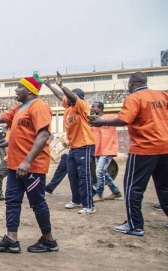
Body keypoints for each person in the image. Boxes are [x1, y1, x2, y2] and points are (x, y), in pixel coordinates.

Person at [0, 75, 58, 253]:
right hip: (14, 166)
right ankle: (11, 239)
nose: (16, 89)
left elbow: (44, 135)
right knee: (12, 201)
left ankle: (49, 240)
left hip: (32, 167)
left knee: (37, 203)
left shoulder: (39, 107)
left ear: (30, 90)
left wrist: (28, 161)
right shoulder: (19, 108)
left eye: (19, 87)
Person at [90, 72, 168, 236]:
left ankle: (135, 225)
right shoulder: (161, 95)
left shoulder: (134, 98)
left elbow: (125, 119)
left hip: (144, 148)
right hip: (165, 147)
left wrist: (101, 122)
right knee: (164, 187)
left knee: (133, 188)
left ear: (131, 83)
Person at [45, 72, 96, 215]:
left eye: (70, 96)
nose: (66, 98)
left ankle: (89, 205)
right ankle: (76, 200)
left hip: (84, 145)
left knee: (84, 176)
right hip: (74, 147)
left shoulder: (82, 106)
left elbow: (69, 96)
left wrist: (61, 85)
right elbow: (60, 96)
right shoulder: (69, 107)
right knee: (72, 175)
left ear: (77, 98)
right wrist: (50, 86)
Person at [90, 102, 122, 202]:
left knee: (99, 171)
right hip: (98, 150)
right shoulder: (92, 122)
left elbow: (122, 118)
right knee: (103, 172)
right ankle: (116, 192)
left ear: (100, 109)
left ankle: (99, 194)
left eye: (93, 107)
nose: (91, 108)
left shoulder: (110, 117)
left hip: (108, 149)